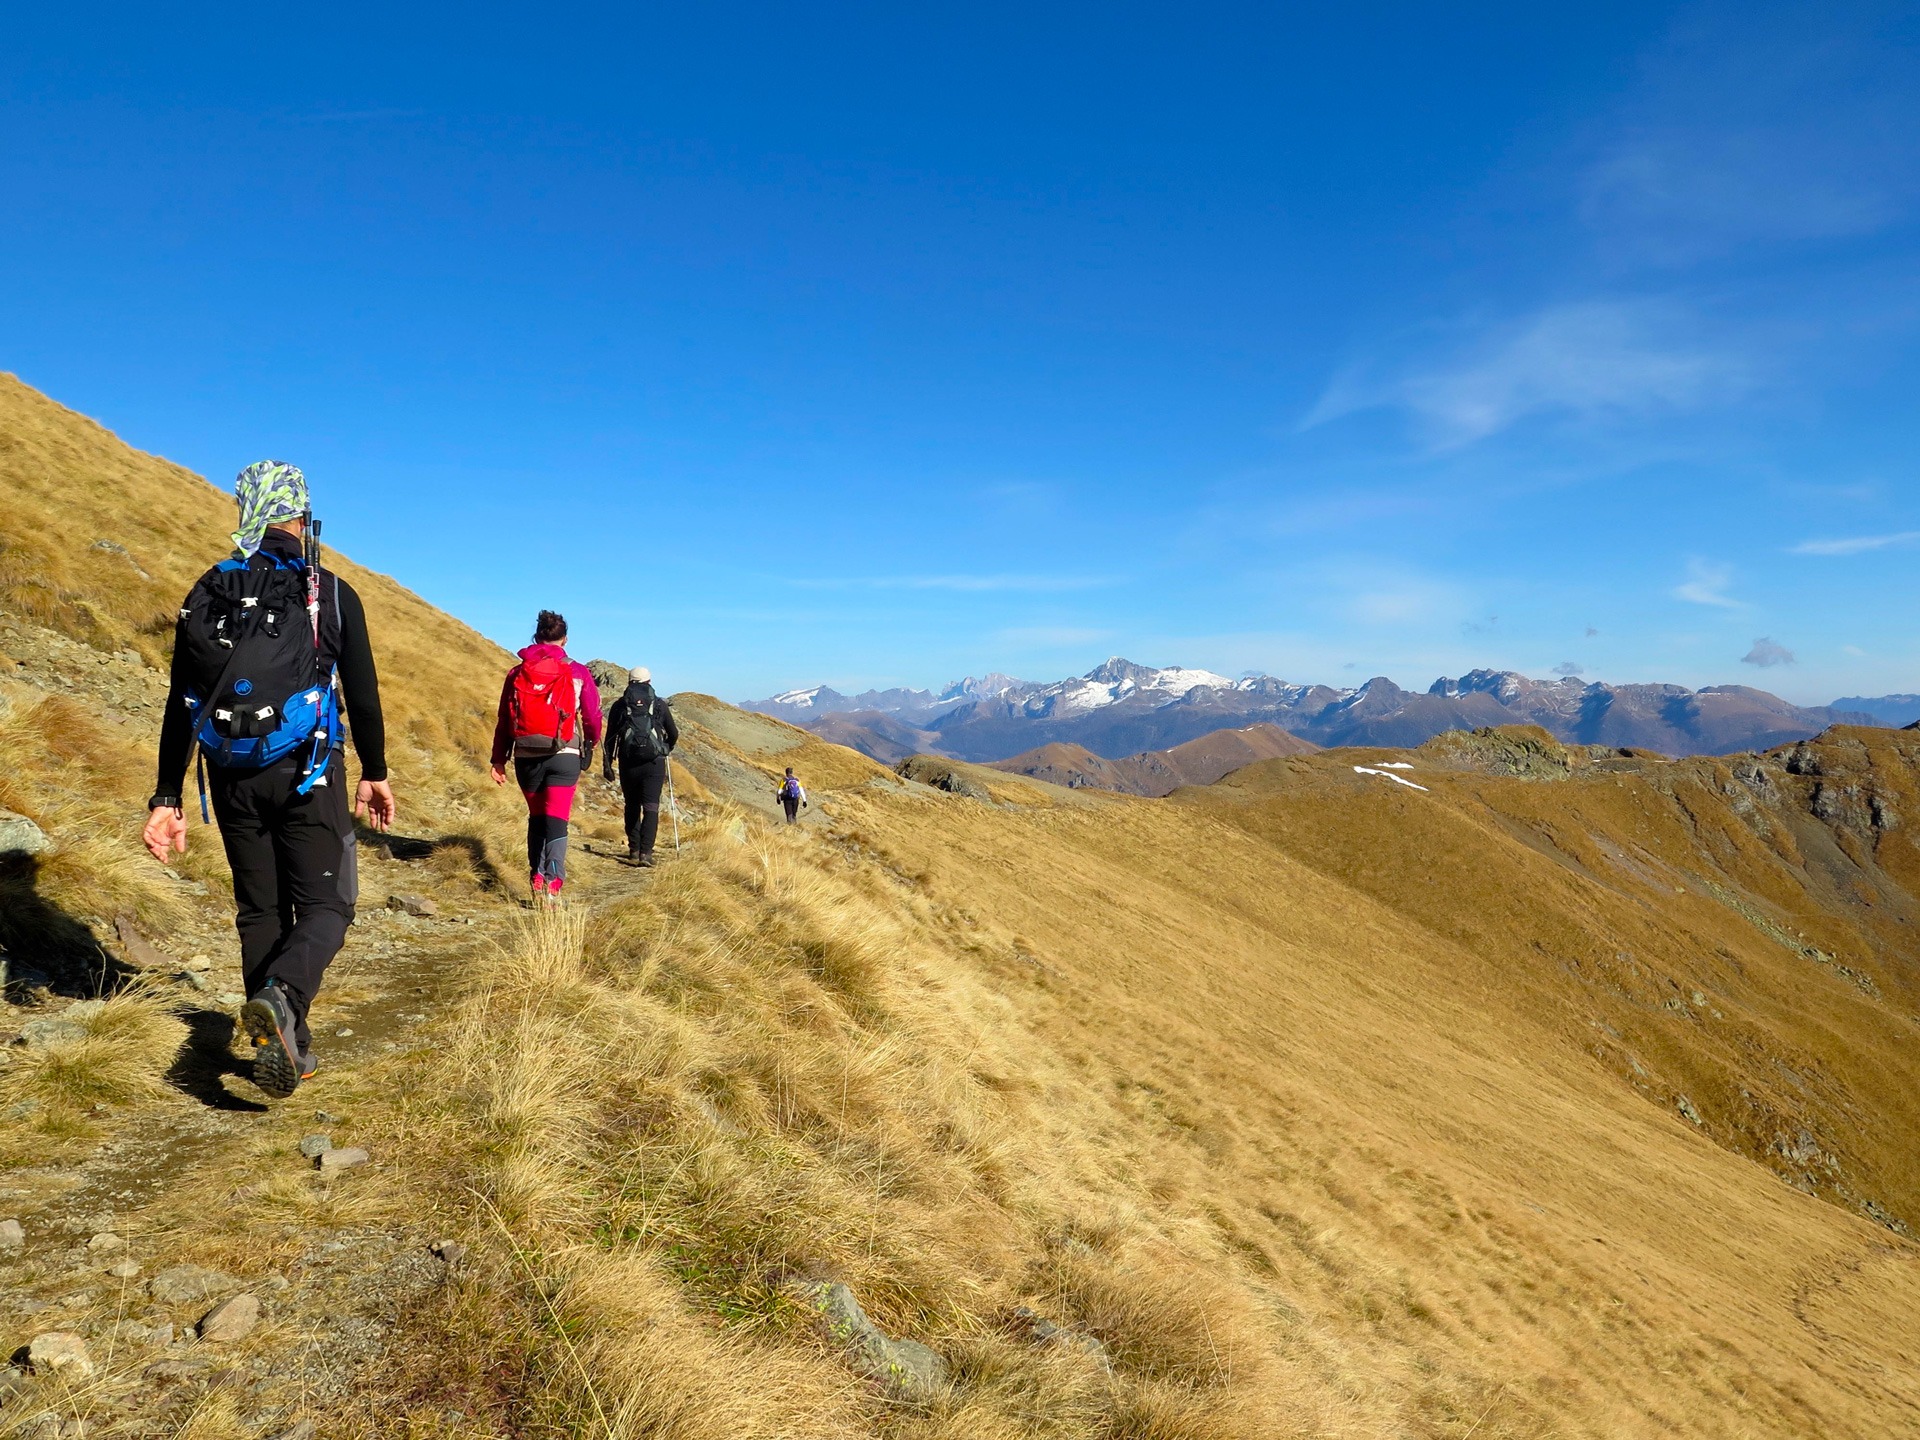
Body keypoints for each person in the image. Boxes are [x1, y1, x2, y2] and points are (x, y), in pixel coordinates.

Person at [143, 461, 395, 1099]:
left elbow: (181, 702)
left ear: (246, 509)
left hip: (228, 774)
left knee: (260, 909)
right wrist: (376, 772)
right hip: (308, 773)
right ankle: (282, 1000)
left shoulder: (208, 590)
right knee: (328, 906)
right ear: (303, 514)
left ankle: (287, 1044)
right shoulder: (330, 592)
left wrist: (167, 796)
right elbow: (362, 697)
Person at [490, 610, 603, 901]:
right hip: (564, 754)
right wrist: (590, 743)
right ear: (564, 639)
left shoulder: (518, 672)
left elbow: (505, 718)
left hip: (526, 755)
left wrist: (498, 760)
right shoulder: (578, 671)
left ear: (536, 637)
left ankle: (536, 876)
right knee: (556, 819)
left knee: (537, 817)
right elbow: (591, 714)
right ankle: (553, 885)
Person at [603, 666, 678, 867]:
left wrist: (607, 764)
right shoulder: (659, 705)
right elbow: (674, 733)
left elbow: (609, 738)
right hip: (654, 763)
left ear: (629, 682)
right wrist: (665, 748)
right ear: (649, 682)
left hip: (629, 762)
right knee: (651, 806)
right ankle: (646, 853)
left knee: (632, 805)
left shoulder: (620, 705)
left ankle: (634, 850)